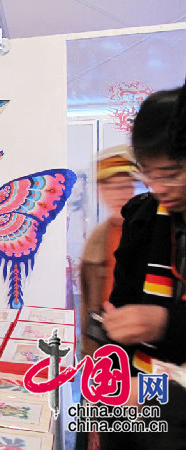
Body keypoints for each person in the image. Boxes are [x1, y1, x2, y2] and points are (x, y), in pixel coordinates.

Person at [101, 82, 186, 448]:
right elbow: (122, 298)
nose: (158, 186)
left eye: (170, 173)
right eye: (148, 173)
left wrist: (164, 322)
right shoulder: (144, 218)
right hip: (143, 382)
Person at [80, 145, 137, 358]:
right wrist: (87, 353)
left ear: (132, 188)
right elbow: (88, 303)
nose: (118, 194)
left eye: (124, 186)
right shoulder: (96, 240)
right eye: (110, 187)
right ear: (101, 192)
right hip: (104, 342)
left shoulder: (149, 232)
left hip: (141, 344)